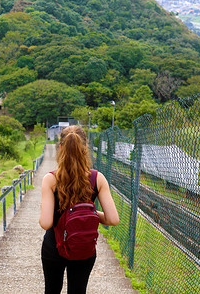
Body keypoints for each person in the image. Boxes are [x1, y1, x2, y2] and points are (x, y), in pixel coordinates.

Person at [39, 125, 119, 294]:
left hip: (55, 246)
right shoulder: (98, 178)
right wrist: (88, 212)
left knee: (51, 290)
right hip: (84, 247)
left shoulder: (50, 180)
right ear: (85, 148)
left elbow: (46, 223)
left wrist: (64, 212)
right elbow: (113, 219)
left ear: (60, 148)